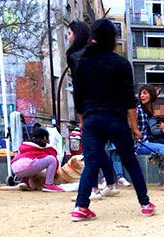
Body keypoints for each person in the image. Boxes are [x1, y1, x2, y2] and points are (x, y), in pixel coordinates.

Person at [72, 19, 155, 221]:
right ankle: (145, 203)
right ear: (112, 39)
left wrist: (82, 121)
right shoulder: (121, 63)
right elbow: (129, 100)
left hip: (91, 119)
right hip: (115, 120)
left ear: (93, 38)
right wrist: (134, 128)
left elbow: (78, 97)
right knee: (130, 161)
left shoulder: (83, 62)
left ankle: (81, 206)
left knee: (91, 163)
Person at [66, 20, 111, 200]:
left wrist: (82, 116)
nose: (68, 37)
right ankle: (109, 183)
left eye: (69, 33)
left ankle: (93, 189)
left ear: (77, 35)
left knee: (90, 149)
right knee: (97, 149)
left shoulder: (76, 56)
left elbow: (81, 86)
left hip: (91, 107)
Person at [134, 84, 164, 159]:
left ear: (151, 95)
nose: (141, 96)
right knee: (162, 147)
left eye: (145, 93)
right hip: (141, 143)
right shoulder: (138, 110)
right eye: (140, 93)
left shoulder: (158, 109)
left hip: (156, 139)